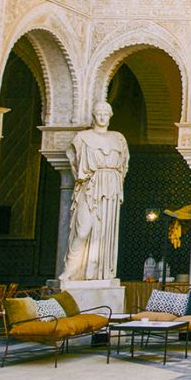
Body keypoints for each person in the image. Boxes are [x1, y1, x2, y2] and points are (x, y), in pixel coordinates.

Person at [60, 101, 130, 282]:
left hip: (111, 187)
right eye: (98, 113)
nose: (102, 116)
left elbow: (124, 165)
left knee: (104, 232)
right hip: (90, 185)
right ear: (93, 115)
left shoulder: (118, 138)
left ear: (110, 115)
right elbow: (74, 163)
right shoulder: (82, 138)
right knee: (83, 229)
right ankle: (70, 270)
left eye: (105, 113)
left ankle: (100, 273)